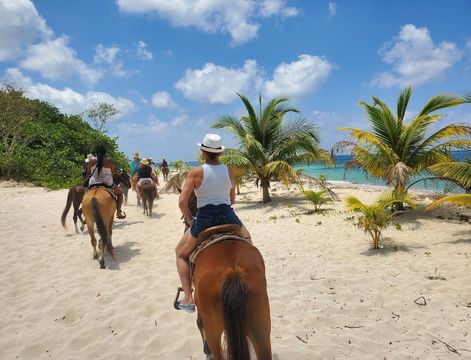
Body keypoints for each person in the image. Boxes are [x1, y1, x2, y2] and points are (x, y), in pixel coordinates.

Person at [175, 133, 250, 313]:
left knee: (180, 254)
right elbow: (232, 200)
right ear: (219, 153)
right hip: (228, 215)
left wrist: (189, 219)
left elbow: (182, 202)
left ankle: (188, 298)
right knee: (248, 241)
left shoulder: (196, 172)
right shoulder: (229, 170)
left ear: (203, 152)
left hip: (205, 218)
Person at [86, 143, 126, 219]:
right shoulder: (109, 160)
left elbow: (88, 173)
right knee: (120, 193)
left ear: (96, 152)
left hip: (93, 182)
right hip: (107, 183)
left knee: (86, 195)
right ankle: (119, 211)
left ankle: (85, 214)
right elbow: (113, 174)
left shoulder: (91, 160)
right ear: (105, 152)